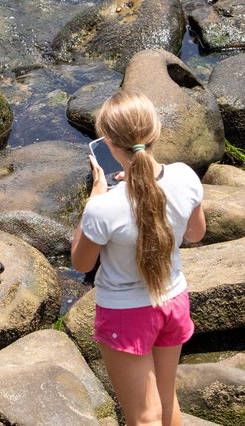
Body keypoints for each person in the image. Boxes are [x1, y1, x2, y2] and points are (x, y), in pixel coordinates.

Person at [71, 90, 206, 426]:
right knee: (166, 399)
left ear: (110, 146)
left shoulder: (104, 208)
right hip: (173, 300)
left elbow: (81, 264)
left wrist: (94, 199)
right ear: (156, 132)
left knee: (143, 416)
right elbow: (195, 234)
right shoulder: (186, 177)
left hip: (125, 314)